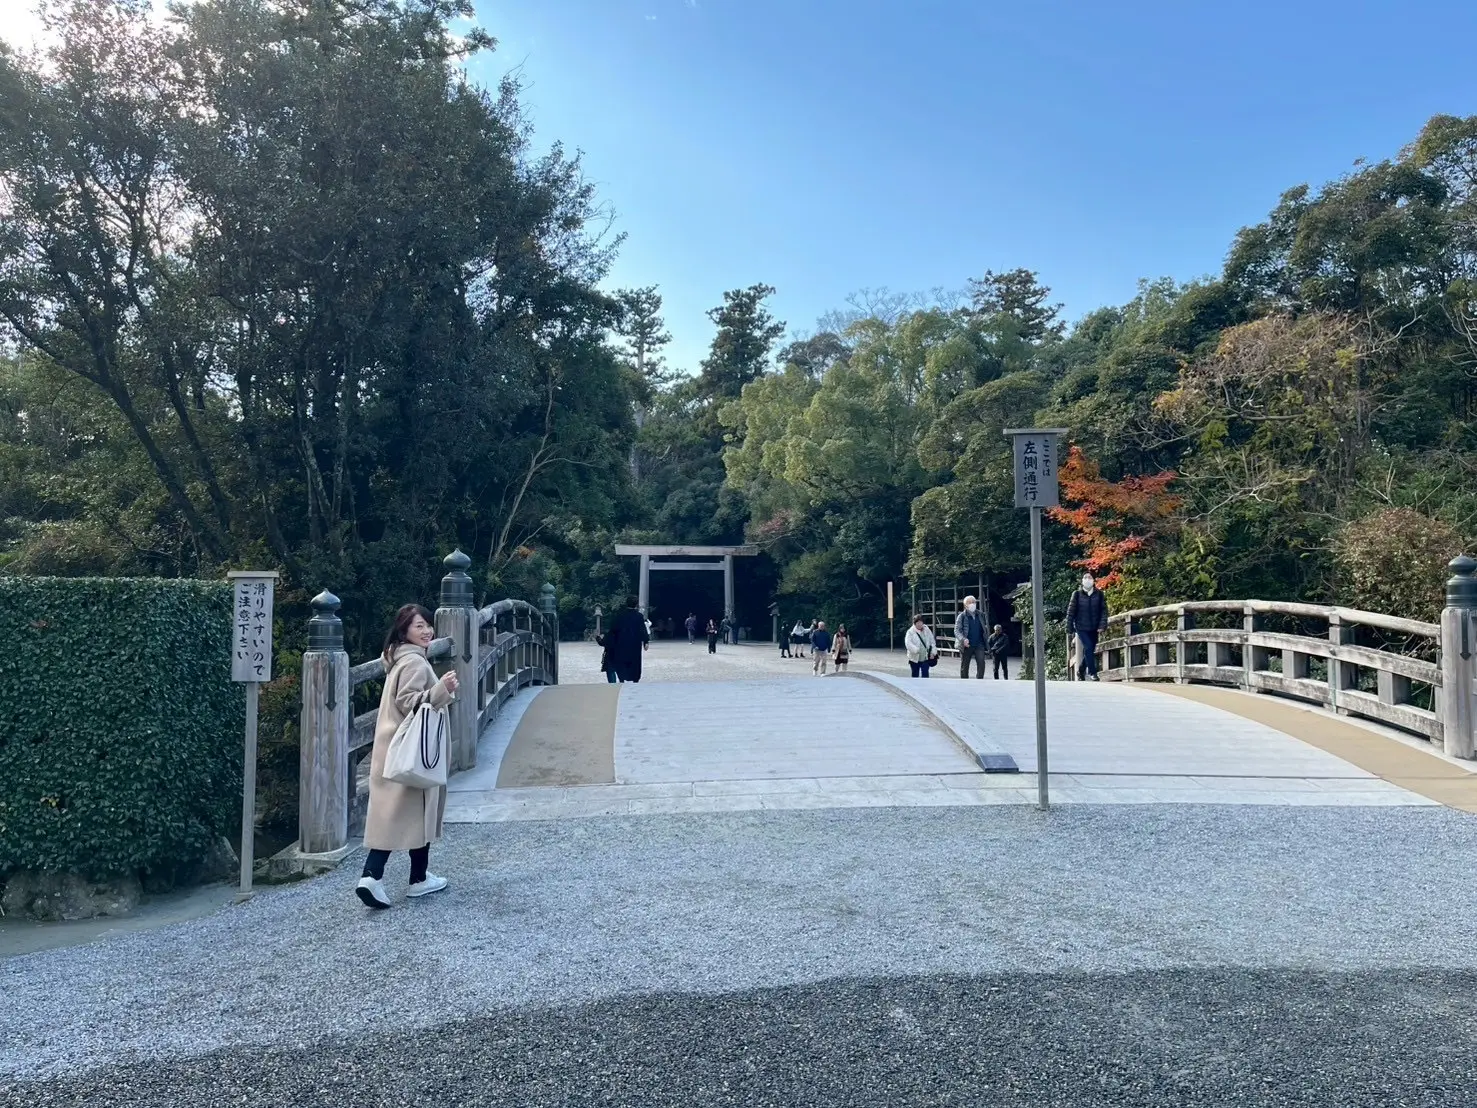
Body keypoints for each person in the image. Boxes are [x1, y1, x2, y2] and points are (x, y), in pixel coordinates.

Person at [356, 604, 458, 910]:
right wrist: (442, 689)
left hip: (392, 748)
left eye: (428, 625)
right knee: (416, 811)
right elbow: (410, 702)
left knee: (397, 815)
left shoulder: (399, 658)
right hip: (410, 751)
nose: (427, 631)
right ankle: (385, 877)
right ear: (404, 631)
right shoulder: (413, 662)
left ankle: (402, 877)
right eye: (419, 626)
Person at [1066, 572, 1109, 681]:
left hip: (1094, 627)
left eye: (1089, 577)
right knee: (1088, 647)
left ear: (1093, 580)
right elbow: (1071, 612)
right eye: (1085, 577)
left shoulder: (1099, 594)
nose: (1087, 579)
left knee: (1090, 650)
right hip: (1081, 627)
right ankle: (1092, 673)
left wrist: (1102, 625)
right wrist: (1069, 627)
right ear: (1082, 581)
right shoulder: (1076, 594)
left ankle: (1080, 670)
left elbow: (1104, 611)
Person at [606, 595, 651, 682]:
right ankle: (635, 679)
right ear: (636, 604)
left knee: (621, 660)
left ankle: (622, 678)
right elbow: (642, 629)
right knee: (634, 661)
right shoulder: (639, 616)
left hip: (620, 643)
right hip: (634, 643)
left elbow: (613, 630)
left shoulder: (619, 615)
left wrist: (610, 642)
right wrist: (646, 641)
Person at [954, 595, 988, 679]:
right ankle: (964, 683)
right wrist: (963, 639)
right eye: (970, 602)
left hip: (979, 643)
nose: (972, 604)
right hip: (966, 644)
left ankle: (979, 681)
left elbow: (984, 628)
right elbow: (957, 630)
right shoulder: (961, 616)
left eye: (974, 602)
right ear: (965, 605)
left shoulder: (980, 614)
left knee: (981, 663)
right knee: (965, 665)